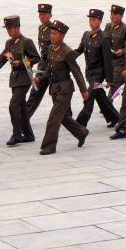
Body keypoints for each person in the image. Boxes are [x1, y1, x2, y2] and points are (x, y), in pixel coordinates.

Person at [0, 16, 40, 146]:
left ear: (17, 28)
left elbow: (36, 58)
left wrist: (21, 62)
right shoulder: (9, 43)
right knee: (21, 107)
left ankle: (17, 135)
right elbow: (2, 59)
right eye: (7, 29)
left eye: (11, 28)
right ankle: (28, 135)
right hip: (15, 80)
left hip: (25, 78)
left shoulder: (27, 42)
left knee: (13, 106)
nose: (9, 31)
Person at [39, 20, 90, 155]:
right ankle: (81, 132)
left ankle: (49, 146)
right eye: (51, 33)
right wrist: (40, 78)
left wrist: (84, 90)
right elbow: (49, 69)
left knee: (53, 118)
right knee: (63, 117)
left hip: (65, 89)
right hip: (54, 88)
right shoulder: (51, 48)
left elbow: (77, 72)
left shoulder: (67, 52)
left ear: (62, 36)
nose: (52, 36)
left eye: (55, 33)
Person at [74, 9, 120, 127]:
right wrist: (67, 57)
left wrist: (109, 79)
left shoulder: (104, 38)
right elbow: (79, 50)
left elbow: (108, 60)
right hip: (89, 73)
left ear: (100, 21)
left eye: (94, 20)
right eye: (90, 20)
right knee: (100, 97)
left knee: (89, 97)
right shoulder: (86, 35)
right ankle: (115, 118)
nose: (91, 22)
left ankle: (80, 123)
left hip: (98, 75)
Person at [25, 4, 53, 134]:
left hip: (53, 67)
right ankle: (24, 117)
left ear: (50, 15)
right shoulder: (41, 28)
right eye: (40, 14)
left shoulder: (54, 29)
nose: (42, 17)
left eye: (44, 14)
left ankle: (67, 115)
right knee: (35, 92)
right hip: (43, 66)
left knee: (58, 94)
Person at [103, 5, 126, 107]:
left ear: (121, 16)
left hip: (121, 62)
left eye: (114, 14)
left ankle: (109, 103)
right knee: (120, 86)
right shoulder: (108, 26)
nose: (112, 16)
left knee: (115, 85)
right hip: (109, 61)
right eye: (111, 14)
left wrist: (122, 50)